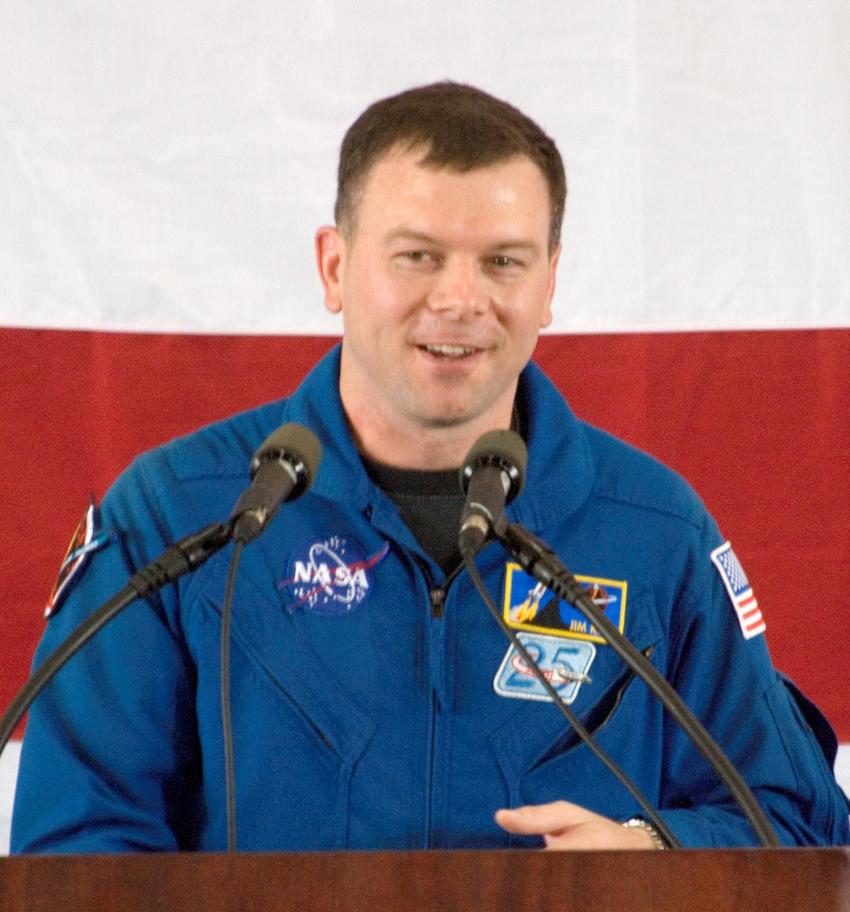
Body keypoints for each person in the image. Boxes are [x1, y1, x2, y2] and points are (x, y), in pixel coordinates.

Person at [10, 82, 849, 853]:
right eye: (418, 256)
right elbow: (75, 844)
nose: (459, 299)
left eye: (503, 262)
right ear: (335, 267)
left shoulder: (653, 531)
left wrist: (660, 854)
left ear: (550, 282)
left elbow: (795, 824)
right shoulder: (178, 516)